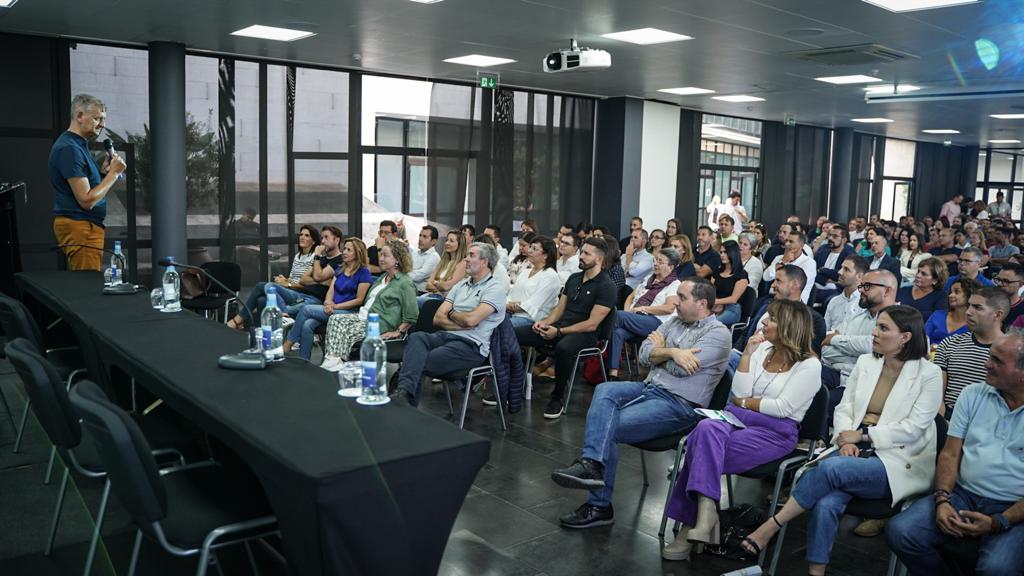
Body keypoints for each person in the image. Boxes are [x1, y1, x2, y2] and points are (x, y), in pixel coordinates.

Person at [742, 305, 941, 576]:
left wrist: (862, 435)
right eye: (876, 325)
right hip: (855, 445)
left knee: (828, 469)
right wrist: (846, 439)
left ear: (905, 337)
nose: (874, 333)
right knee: (826, 502)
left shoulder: (928, 374)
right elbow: (845, 407)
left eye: (883, 328)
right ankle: (816, 572)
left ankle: (771, 526)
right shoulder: (867, 362)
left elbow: (913, 429)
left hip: (899, 458)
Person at [549, 278, 731, 528]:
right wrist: (673, 352)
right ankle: (592, 464)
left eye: (682, 297)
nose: (675, 302)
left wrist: (662, 353)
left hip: (680, 405)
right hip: (650, 387)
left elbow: (682, 370)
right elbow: (644, 355)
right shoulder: (674, 322)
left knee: (609, 427)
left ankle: (599, 505)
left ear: (702, 303)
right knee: (604, 389)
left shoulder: (718, 334)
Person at [662, 300, 821, 561]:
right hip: (736, 418)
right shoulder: (761, 349)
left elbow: (782, 408)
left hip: (774, 432)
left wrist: (745, 403)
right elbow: (739, 392)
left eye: (771, 319)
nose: (764, 322)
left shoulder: (810, 365)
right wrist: (746, 354)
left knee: (701, 448)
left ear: (789, 326)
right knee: (707, 427)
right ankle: (706, 512)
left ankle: (692, 524)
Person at [887, 332, 1024, 576]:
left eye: (997, 361)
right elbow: (950, 454)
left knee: (997, 569)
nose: (987, 364)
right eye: (990, 356)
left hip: (1014, 506)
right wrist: (942, 500)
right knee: (901, 532)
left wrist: (999, 521)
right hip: (964, 495)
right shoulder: (972, 394)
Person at [393, 242, 508, 407]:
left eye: (471, 255)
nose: (466, 259)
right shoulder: (461, 285)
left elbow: (471, 320)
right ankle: (403, 402)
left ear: (485, 262)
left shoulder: (495, 288)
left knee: (414, 363)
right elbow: (438, 318)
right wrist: (460, 322)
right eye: (467, 255)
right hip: (447, 336)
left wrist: (452, 313)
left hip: (471, 346)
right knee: (418, 337)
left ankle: (402, 401)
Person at [514, 237, 617, 419]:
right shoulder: (574, 278)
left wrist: (559, 331)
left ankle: (557, 397)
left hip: (587, 335)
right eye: (582, 252)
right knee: (513, 334)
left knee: (564, 347)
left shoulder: (606, 286)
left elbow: (592, 324)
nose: (581, 256)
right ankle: (512, 385)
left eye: (586, 253)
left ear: (599, 259)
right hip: (560, 328)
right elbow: (559, 310)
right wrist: (545, 322)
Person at [50, 94, 127, 271]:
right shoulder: (70, 148)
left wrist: (103, 174)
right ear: (79, 116)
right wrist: (114, 174)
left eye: (103, 119)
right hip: (81, 226)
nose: (103, 124)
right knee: (86, 284)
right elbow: (86, 201)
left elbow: (85, 189)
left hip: (84, 226)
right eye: (97, 118)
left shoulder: (76, 145)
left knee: (84, 282)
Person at [320, 240, 419, 370]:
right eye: (381, 254)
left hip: (378, 324)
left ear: (397, 259)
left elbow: (412, 315)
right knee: (335, 319)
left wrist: (398, 332)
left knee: (346, 330)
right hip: (364, 316)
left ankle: (339, 362)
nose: (381, 259)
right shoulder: (383, 277)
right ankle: (333, 359)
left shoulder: (405, 283)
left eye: (385, 255)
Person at [228, 225, 342, 329]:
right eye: (301, 235)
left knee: (265, 291)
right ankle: (264, 331)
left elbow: (314, 278)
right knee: (262, 296)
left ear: (313, 241)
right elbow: (304, 279)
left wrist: (288, 283)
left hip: (304, 294)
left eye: (307, 235)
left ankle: (242, 320)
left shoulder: (318, 257)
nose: (302, 237)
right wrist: (286, 280)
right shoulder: (301, 256)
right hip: (298, 293)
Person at [285, 238, 373, 360]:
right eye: (344, 249)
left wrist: (335, 306)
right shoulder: (340, 269)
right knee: (307, 325)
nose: (344, 252)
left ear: (358, 253)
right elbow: (331, 291)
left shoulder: (364, 272)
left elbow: (359, 300)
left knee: (306, 309)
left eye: (349, 250)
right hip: (332, 308)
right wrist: (328, 302)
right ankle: (303, 361)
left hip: (349, 312)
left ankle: (287, 345)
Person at [606, 248, 681, 380]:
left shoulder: (674, 284)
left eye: (660, 262)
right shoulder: (649, 278)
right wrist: (628, 311)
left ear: (671, 267)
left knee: (617, 316)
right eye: (655, 260)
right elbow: (631, 296)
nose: (656, 264)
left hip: (656, 322)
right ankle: (613, 373)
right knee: (618, 332)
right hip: (636, 317)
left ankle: (595, 340)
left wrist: (643, 309)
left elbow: (669, 308)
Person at [821, 269, 899, 391]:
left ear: (887, 291)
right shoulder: (856, 313)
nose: (861, 290)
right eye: (861, 286)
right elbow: (825, 348)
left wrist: (835, 340)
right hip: (834, 372)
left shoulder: (900, 320)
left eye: (867, 286)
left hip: (864, 384)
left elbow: (872, 347)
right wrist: (855, 354)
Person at [935, 287, 1007, 418]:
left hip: (989, 419)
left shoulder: (1012, 352)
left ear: (997, 315)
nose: (968, 312)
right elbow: (936, 396)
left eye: (977, 307)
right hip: (948, 416)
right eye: (969, 306)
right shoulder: (949, 343)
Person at [505, 235, 561, 328]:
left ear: (545, 255)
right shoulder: (525, 272)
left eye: (534, 249)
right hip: (512, 313)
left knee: (497, 327)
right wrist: (508, 304)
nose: (529, 251)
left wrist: (511, 306)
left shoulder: (550, 276)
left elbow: (533, 305)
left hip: (531, 320)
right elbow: (511, 295)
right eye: (530, 247)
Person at [763, 230, 818, 303]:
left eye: (791, 242)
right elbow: (766, 277)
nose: (787, 244)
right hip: (774, 297)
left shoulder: (809, 263)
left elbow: (793, 286)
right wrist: (783, 261)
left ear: (801, 245)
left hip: (794, 302)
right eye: (786, 241)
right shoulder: (779, 258)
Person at [418, 230, 467, 306]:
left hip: (446, 301)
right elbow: (428, 284)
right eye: (447, 240)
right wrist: (439, 287)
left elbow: (447, 286)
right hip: (432, 296)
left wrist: (436, 283)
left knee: (414, 302)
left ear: (460, 245)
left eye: (451, 241)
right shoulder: (443, 262)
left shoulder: (463, 263)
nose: (447, 243)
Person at [925, 277, 980, 346]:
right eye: (950, 292)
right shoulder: (937, 315)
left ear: (969, 294)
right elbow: (923, 339)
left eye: (957, 292)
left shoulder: (975, 324)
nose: (950, 295)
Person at [711, 240, 749, 327]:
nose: (722, 255)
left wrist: (715, 301)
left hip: (732, 309)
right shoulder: (717, 272)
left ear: (733, 253)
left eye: (725, 252)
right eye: (721, 252)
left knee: (710, 323)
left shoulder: (741, 274)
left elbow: (733, 299)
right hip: (715, 306)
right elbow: (710, 291)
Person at [825, 256, 867, 332]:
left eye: (846, 269)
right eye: (841, 268)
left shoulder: (866, 304)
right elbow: (824, 331)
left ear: (859, 276)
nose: (839, 272)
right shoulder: (834, 301)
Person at [813, 226, 854, 305]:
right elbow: (814, 271)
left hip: (837, 290)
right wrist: (827, 279)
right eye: (830, 235)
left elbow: (842, 275)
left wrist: (823, 270)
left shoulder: (849, 254)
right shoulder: (823, 250)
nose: (830, 238)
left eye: (835, 236)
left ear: (844, 240)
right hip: (817, 285)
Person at [408, 225, 441, 293]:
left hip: (420, 292)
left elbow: (417, 277)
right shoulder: (415, 253)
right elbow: (406, 268)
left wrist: (404, 273)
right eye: (420, 235)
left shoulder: (434, 257)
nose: (420, 239)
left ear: (433, 241)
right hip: (409, 288)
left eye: (425, 237)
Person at [997, 263, 1024, 328]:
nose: (999, 284)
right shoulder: (988, 302)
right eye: (998, 280)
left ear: (1020, 284)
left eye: (1006, 281)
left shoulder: (1022, 311)